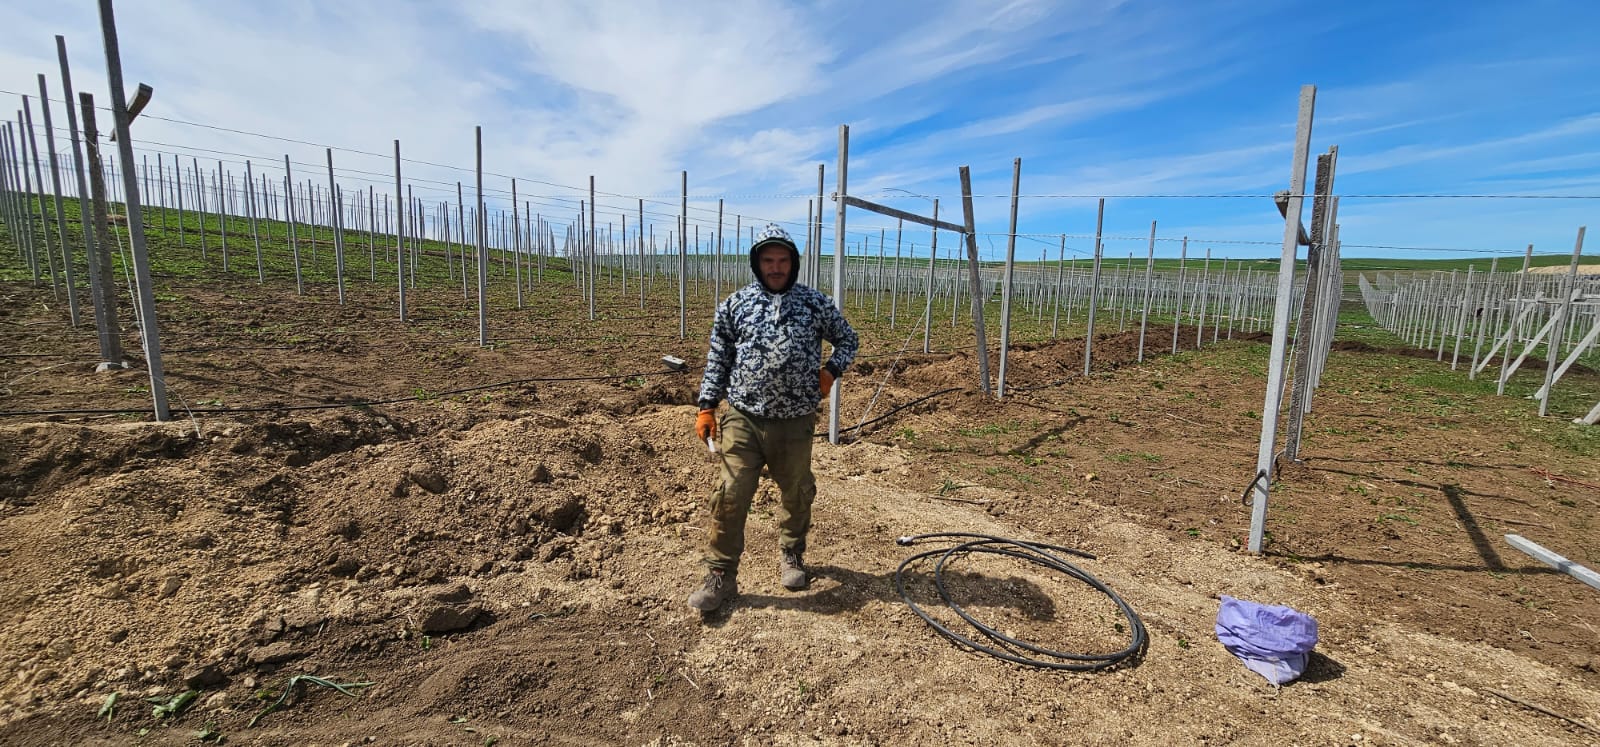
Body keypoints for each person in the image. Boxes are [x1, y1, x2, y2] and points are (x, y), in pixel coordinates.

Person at [688, 223, 859, 612]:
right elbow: (718, 358)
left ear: (793, 263)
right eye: (768, 260)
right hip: (744, 418)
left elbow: (848, 339)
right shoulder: (735, 305)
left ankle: (792, 553)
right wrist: (707, 406)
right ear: (757, 263)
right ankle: (720, 574)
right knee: (730, 494)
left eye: (783, 260)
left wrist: (830, 372)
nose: (776, 267)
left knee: (796, 491)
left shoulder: (815, 303)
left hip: (796, 420)